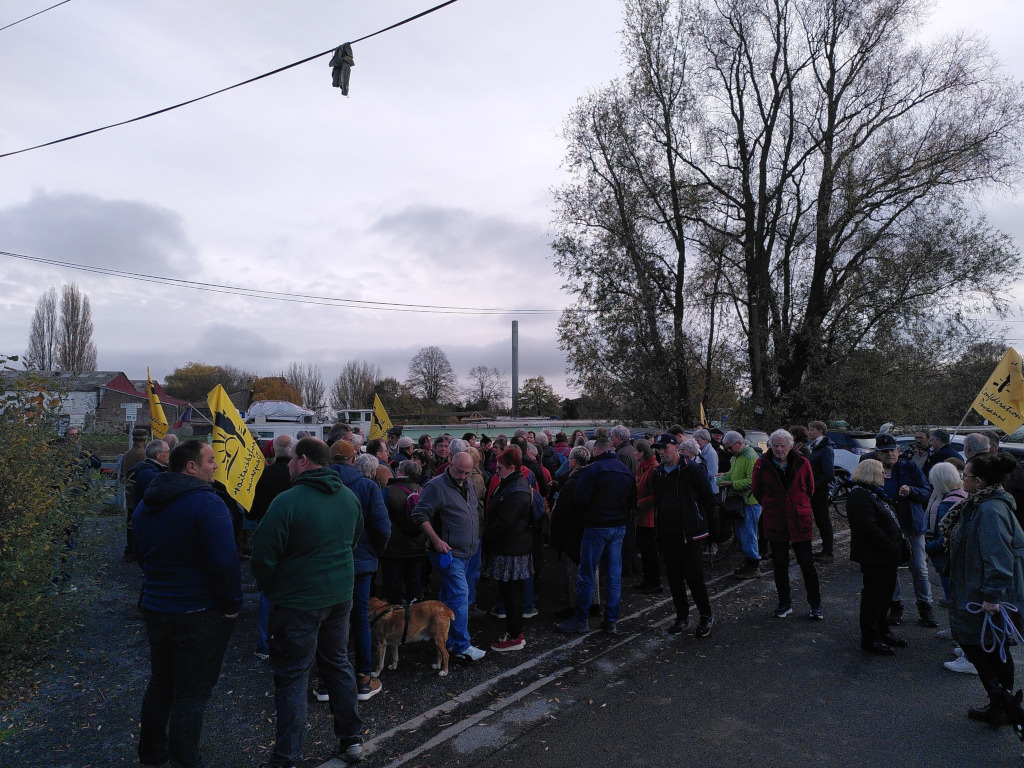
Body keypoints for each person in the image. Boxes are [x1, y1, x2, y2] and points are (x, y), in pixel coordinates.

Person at [250, 437, 366, 767]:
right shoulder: (349, 497)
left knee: (293, 676)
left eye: (290, 459)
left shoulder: (288, 501)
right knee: (337, 664)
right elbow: (352, 541)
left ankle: (287, 756)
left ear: (302, 460)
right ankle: (352, 739)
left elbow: (262, 556)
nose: (287, 464)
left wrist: (274, 588)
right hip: (339, 596)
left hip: (298, 602)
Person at [132, 440, 242, 768]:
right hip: (198, 613)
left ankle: (152, 754)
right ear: (191, 467)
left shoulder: (146, 503)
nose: (216, 466)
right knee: (191, 693)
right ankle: (185, 761)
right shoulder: (208, 504)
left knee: (161, 681)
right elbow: (225, 563)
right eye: (211, 461)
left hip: (156, 607)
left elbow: (141, 554)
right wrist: (232, 605)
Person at [946, 452, 1024, 728]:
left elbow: (998, 558)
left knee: (986, 648)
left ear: (978, 481)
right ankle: (1001, 704)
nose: (961, 479)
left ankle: (1004, 705)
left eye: (964, 475)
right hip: (976, 589)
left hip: (986, 595)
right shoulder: (981, 504)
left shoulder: (990, 510)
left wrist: (992, 597)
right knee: (986, 648)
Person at [408, 450, 486, 661]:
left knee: (450, 596)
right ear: (450, 464)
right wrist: (436, 540)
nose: (463, 476)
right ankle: (460, 645)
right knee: (460, 595)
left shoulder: (469, 483)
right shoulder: (436, 486)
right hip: (449, 552)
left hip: (469, 551)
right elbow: (419, 514)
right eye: (460, 472)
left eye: (468, 473)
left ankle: (441, 635)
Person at [329, 443, 391, 701]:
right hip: (361, 562)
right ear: (353, 459)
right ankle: (364, 678)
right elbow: (382, 527)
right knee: (360, 618)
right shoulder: (367, 486)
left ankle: (326, 682)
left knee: (331, 619)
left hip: (329, 563)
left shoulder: (319, 483)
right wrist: (375, 552)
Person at [556, 436, 636, 635]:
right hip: (618, 526)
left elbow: (581, 498)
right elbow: (633, 502)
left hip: (596, 526)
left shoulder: (592, 470)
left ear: (596, 451)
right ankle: (610, 620)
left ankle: (581, 620)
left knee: (587, 574)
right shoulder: (625, 470)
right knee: (613, 576)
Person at [650, 434, 716, 636]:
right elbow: (658, 502)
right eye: (658, 448)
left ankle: (705, 615)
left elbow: (707, 498)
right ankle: (682, 616)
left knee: (694, 578)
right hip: (668, 534)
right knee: (674, 579)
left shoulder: (691, 469)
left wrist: (709, 529)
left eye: (664, 447)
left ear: (676, 447)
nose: (661, 452)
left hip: (690, 533)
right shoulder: (658, 473)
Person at [752, 429, 822, 619]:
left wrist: (797, 504)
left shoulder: (803, 462)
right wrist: (773, 506)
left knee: (807, 564)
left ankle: (815, 605)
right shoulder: (761, 464)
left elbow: (810, 489)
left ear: (790, 446)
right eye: (775, 445)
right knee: (780, 564)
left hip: (799, 520)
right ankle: (784, 604)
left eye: (783, 445)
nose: (779, 449)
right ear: (770, 446)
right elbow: (757, 491)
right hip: (776, 520)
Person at [870, 433, 936, 628]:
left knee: (919, 569)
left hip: (911, 525)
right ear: (877, 454)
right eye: (885, 451)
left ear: (898, 451)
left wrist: (911, 491)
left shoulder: (909, 467)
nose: (889, 454)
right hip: (887, 528)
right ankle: (895, 606)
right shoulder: (872, 469)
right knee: (891, 569)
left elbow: (927, 492)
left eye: (892, 450)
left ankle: (925, 607)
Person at [847, 459, 907, 655]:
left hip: (885, 556)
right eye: (881, 472)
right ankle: (870, 638)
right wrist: (890, 546)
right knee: (874, 599)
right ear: (871, 473)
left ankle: (882, 631)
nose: (885, 475)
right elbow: (868, 527)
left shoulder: (872, 493)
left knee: (884, 597)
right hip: (876, 556)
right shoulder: (860, 495)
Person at [482, 446, 534, 651]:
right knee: (512, 593)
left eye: (500, 468)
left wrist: (485, 537)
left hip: (511, 549)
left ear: (512, 467)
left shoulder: (516, 489)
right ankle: (514, 633)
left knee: (511, 594)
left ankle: (514, 636)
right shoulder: (513, 483)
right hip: (512, 547)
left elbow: (505, 522)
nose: (497, 471)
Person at [248, 434, 294, 660]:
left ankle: (265, 643)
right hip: (293, 538)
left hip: (267, 537)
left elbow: (252, 510)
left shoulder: (264, 474)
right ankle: (291, 640)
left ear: (274, 450)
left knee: (267, 590)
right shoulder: (296, 475)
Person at [380, 460, 427, 604]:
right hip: (418, 547)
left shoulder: (388, 492)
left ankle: (396, 614)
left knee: (393, 586)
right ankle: (415, 613)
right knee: (414, 584)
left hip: (393, 548)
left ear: (400, 472)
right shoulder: (423, 491)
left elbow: (380, 517)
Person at [718, 430, 761, 580]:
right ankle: (749, 564)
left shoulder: (750, 457)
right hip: (742, 501)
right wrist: (724, 476)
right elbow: (735, 473)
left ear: (739, 443)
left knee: (749, 535)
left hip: (749, 502)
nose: (728, 450)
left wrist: (732, 483)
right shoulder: (738, 456)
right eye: (726, 447)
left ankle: (753, 566)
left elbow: (752, 481)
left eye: (730, 447)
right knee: (743, 534)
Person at [634, 439, 662, 594]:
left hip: (648, 517)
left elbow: (655, 495)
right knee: (645, 551)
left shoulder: (652, 469)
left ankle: (654, 582)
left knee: (650, 551)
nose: (634, 454)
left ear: (642, 453)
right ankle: (648, 580)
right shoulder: (644, 467)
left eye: (636, 451)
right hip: (642, 516)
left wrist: (639, 503)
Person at [807, 421, 836, 563]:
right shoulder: (815, 447)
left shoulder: (825, 449)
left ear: (820, 431)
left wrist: (815, 486)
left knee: (823, 520)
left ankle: (828, 552)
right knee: (819, 520)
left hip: (820, 491)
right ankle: (825, 550)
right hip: (815, 490)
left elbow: (828, 473)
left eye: (812, 430)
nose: (809, 432)